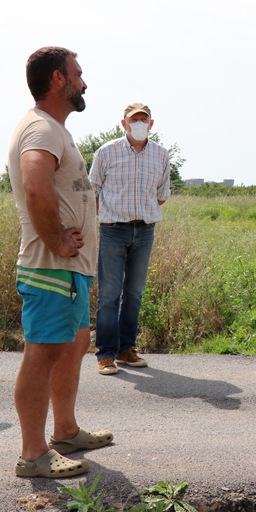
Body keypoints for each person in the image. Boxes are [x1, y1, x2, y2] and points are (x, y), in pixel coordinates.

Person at [8, 47, 113, 478]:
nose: (84, 82)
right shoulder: (41, 128)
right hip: (51, 267)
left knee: (71, 348)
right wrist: (56, 241)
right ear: (57, 79)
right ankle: (33, 454)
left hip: (68, 269)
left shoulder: (54, 129)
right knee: (44, 354)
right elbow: (35, 185)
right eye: (78, 74)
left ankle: (65, 431)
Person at [89, 103, 171, 375]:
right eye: (133, 119)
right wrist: (108, 217)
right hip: (113, 229)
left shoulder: (161, 155)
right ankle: (106, 353)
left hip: (145, 230)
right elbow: (93, 192)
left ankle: (126, 350)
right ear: (123, 124)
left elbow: (161, 194)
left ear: (151, 123)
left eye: (143, 119)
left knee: (134, 294)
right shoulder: (106, 152)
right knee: (109, 294)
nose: (139, 123)